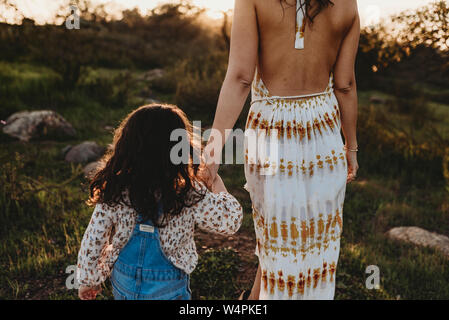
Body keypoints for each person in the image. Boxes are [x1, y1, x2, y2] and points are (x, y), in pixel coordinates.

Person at [206, 0, 360, 299]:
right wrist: (350, 146)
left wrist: (213, 152)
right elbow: (345, 85)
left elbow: (240, 78)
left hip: (271, 133)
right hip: (325, 132)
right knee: (317, 245)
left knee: (277, 237)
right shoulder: (347, 4)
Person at [76, 104, 243, 300]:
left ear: (127, 146)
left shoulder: (117, 189)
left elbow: (94, 238)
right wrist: (215, 182)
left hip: (124, 280)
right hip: (169, 286)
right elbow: (231, 220)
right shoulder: (187, 193)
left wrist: (89, 280)